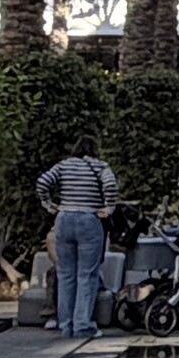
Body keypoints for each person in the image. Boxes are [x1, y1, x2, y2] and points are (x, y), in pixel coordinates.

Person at [37, 133, 120, 336]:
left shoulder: (63, 165)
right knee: (87, 274)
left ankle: (65, 325)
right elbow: (110, 185)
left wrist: (48, 204)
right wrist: (109, 207)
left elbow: (42, 182)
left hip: (64, 219)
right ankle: (82, 324)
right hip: (89, 220)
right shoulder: (101, 166)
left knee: (65, 274)